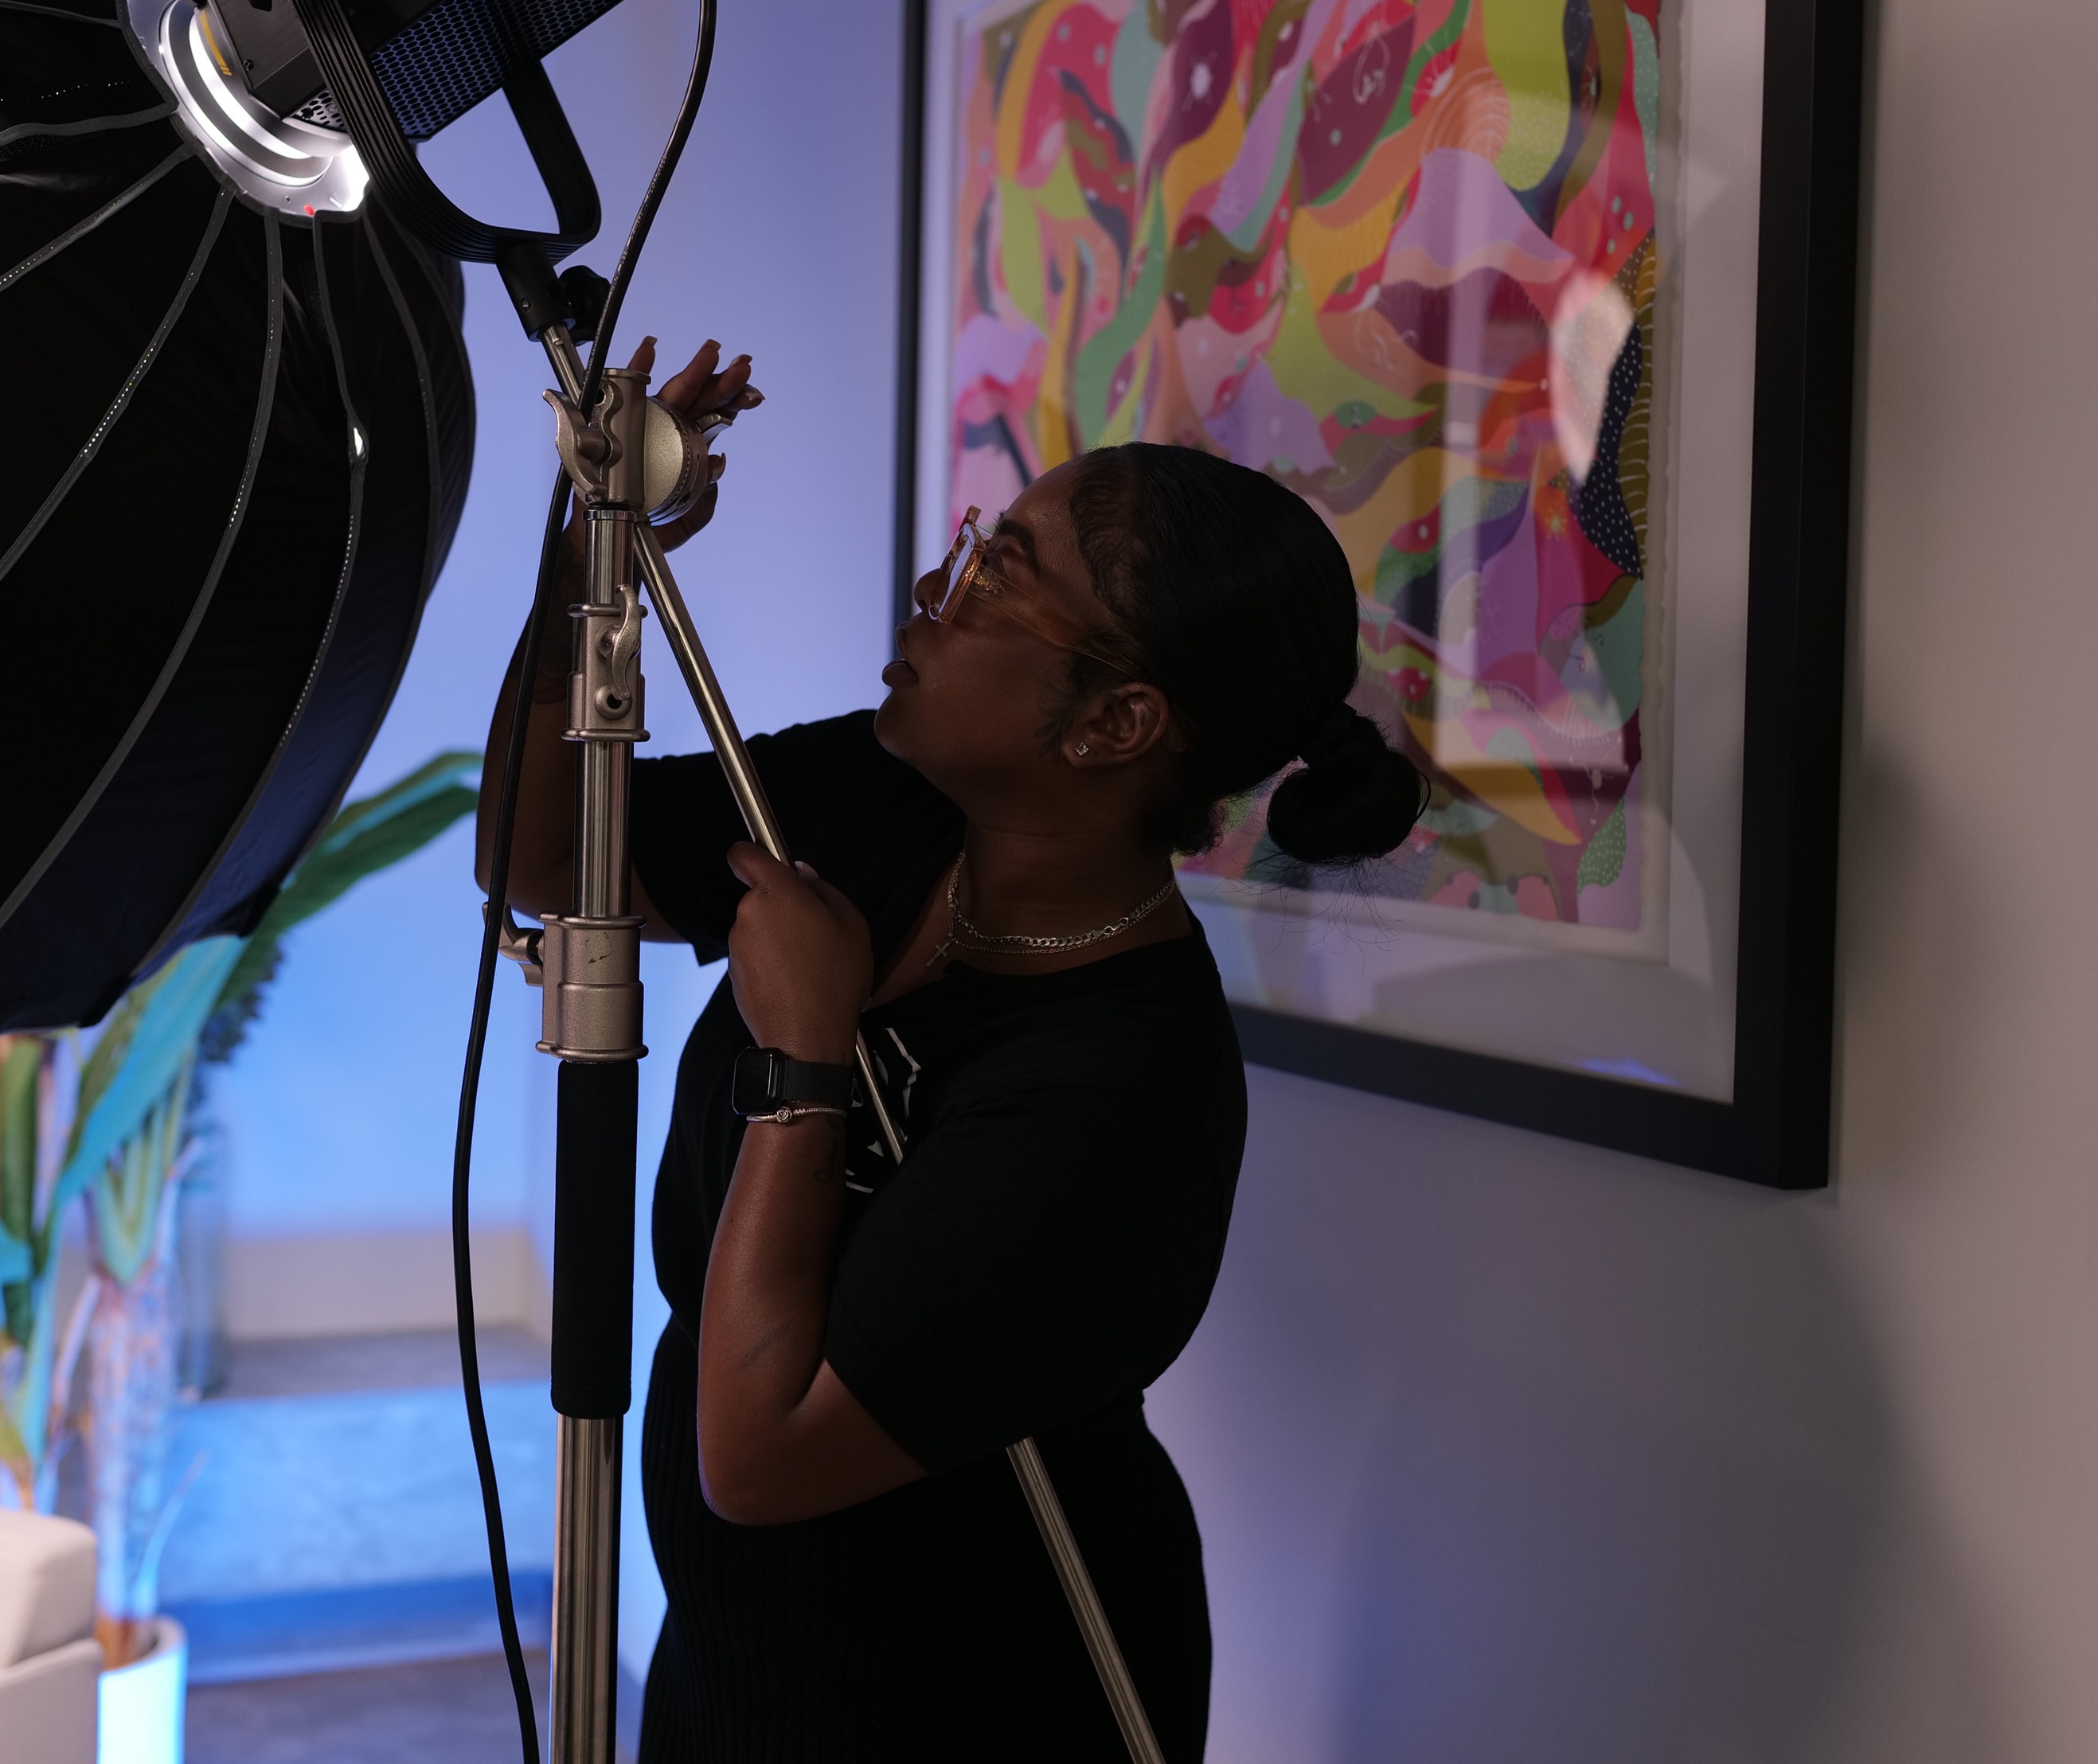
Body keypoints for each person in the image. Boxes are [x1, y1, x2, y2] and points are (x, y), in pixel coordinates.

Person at [479, 339, 1428, 1761]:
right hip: (737, 1670)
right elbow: (545, 852)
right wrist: (592, 558)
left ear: (1115, 723)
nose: (937, 587)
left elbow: (764, 1455)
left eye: (996, 575)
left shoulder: (1125, 1083)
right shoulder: (891, 801)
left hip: (978, 1695)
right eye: (975, 546)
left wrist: (806, 1055)